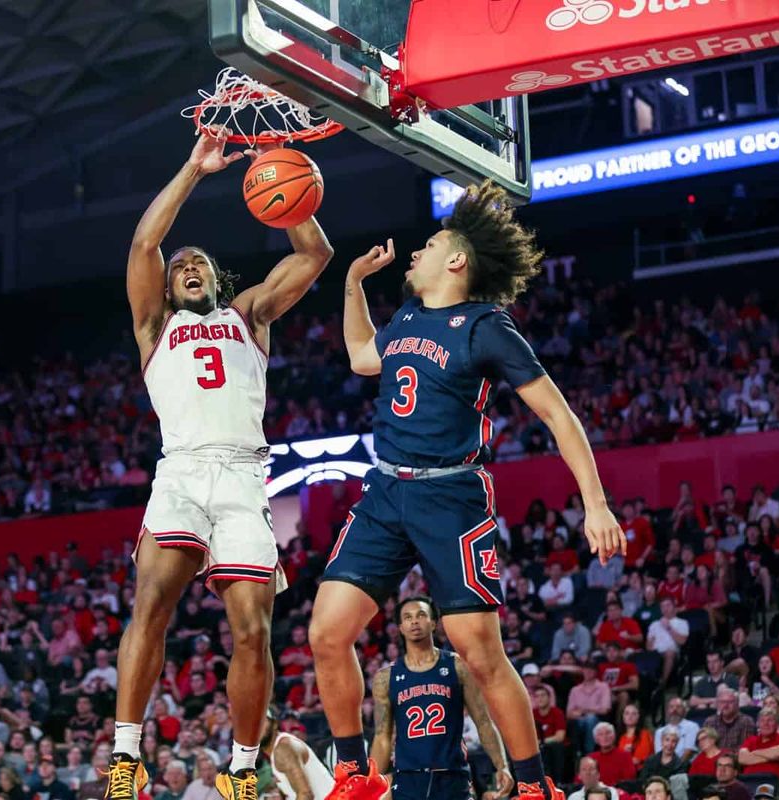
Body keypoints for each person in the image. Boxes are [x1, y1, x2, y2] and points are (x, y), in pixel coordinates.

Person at [313, 182, 624, 800]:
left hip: (451, 496)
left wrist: (596, 502)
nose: (413, 254)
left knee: (478, 650)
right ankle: (354, 773)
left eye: (427, 245)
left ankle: (537, 786)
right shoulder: (404, 317)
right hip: (385, 493)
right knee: (326, 631)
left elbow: (559, 416)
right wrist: (351, 283)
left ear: (455, 260)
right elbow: (358, 355)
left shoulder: (487, 327)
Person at [107, 128, 333, 800]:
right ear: (171, 286)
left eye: (199, 261)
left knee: (251, 629)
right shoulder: (155, 326)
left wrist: (283, 184)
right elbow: (145, 244)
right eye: (182, 267)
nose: (189, 266)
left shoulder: (249, 314)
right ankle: (126, 755)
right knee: (151, 601)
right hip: (181, 470)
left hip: (241, 476)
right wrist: (195, 168)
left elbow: (315, 253)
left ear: (217, 276)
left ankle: (240, 767)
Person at [369, 597, 513, 800]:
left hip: (452, 775)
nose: (415, 621)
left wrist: (502, 765)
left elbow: (483, 721)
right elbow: (382, 737)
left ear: (434, 623)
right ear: (401, 627)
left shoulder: (458, 666)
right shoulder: (385, 678)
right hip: (408, 779)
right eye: (408, 617)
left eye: (421, 615)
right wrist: (371, 782)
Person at [260, 709, 334, 800]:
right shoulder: (277, 748)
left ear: (275, 724)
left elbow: (306, 795)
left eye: (261, 721)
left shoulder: (283, 748)